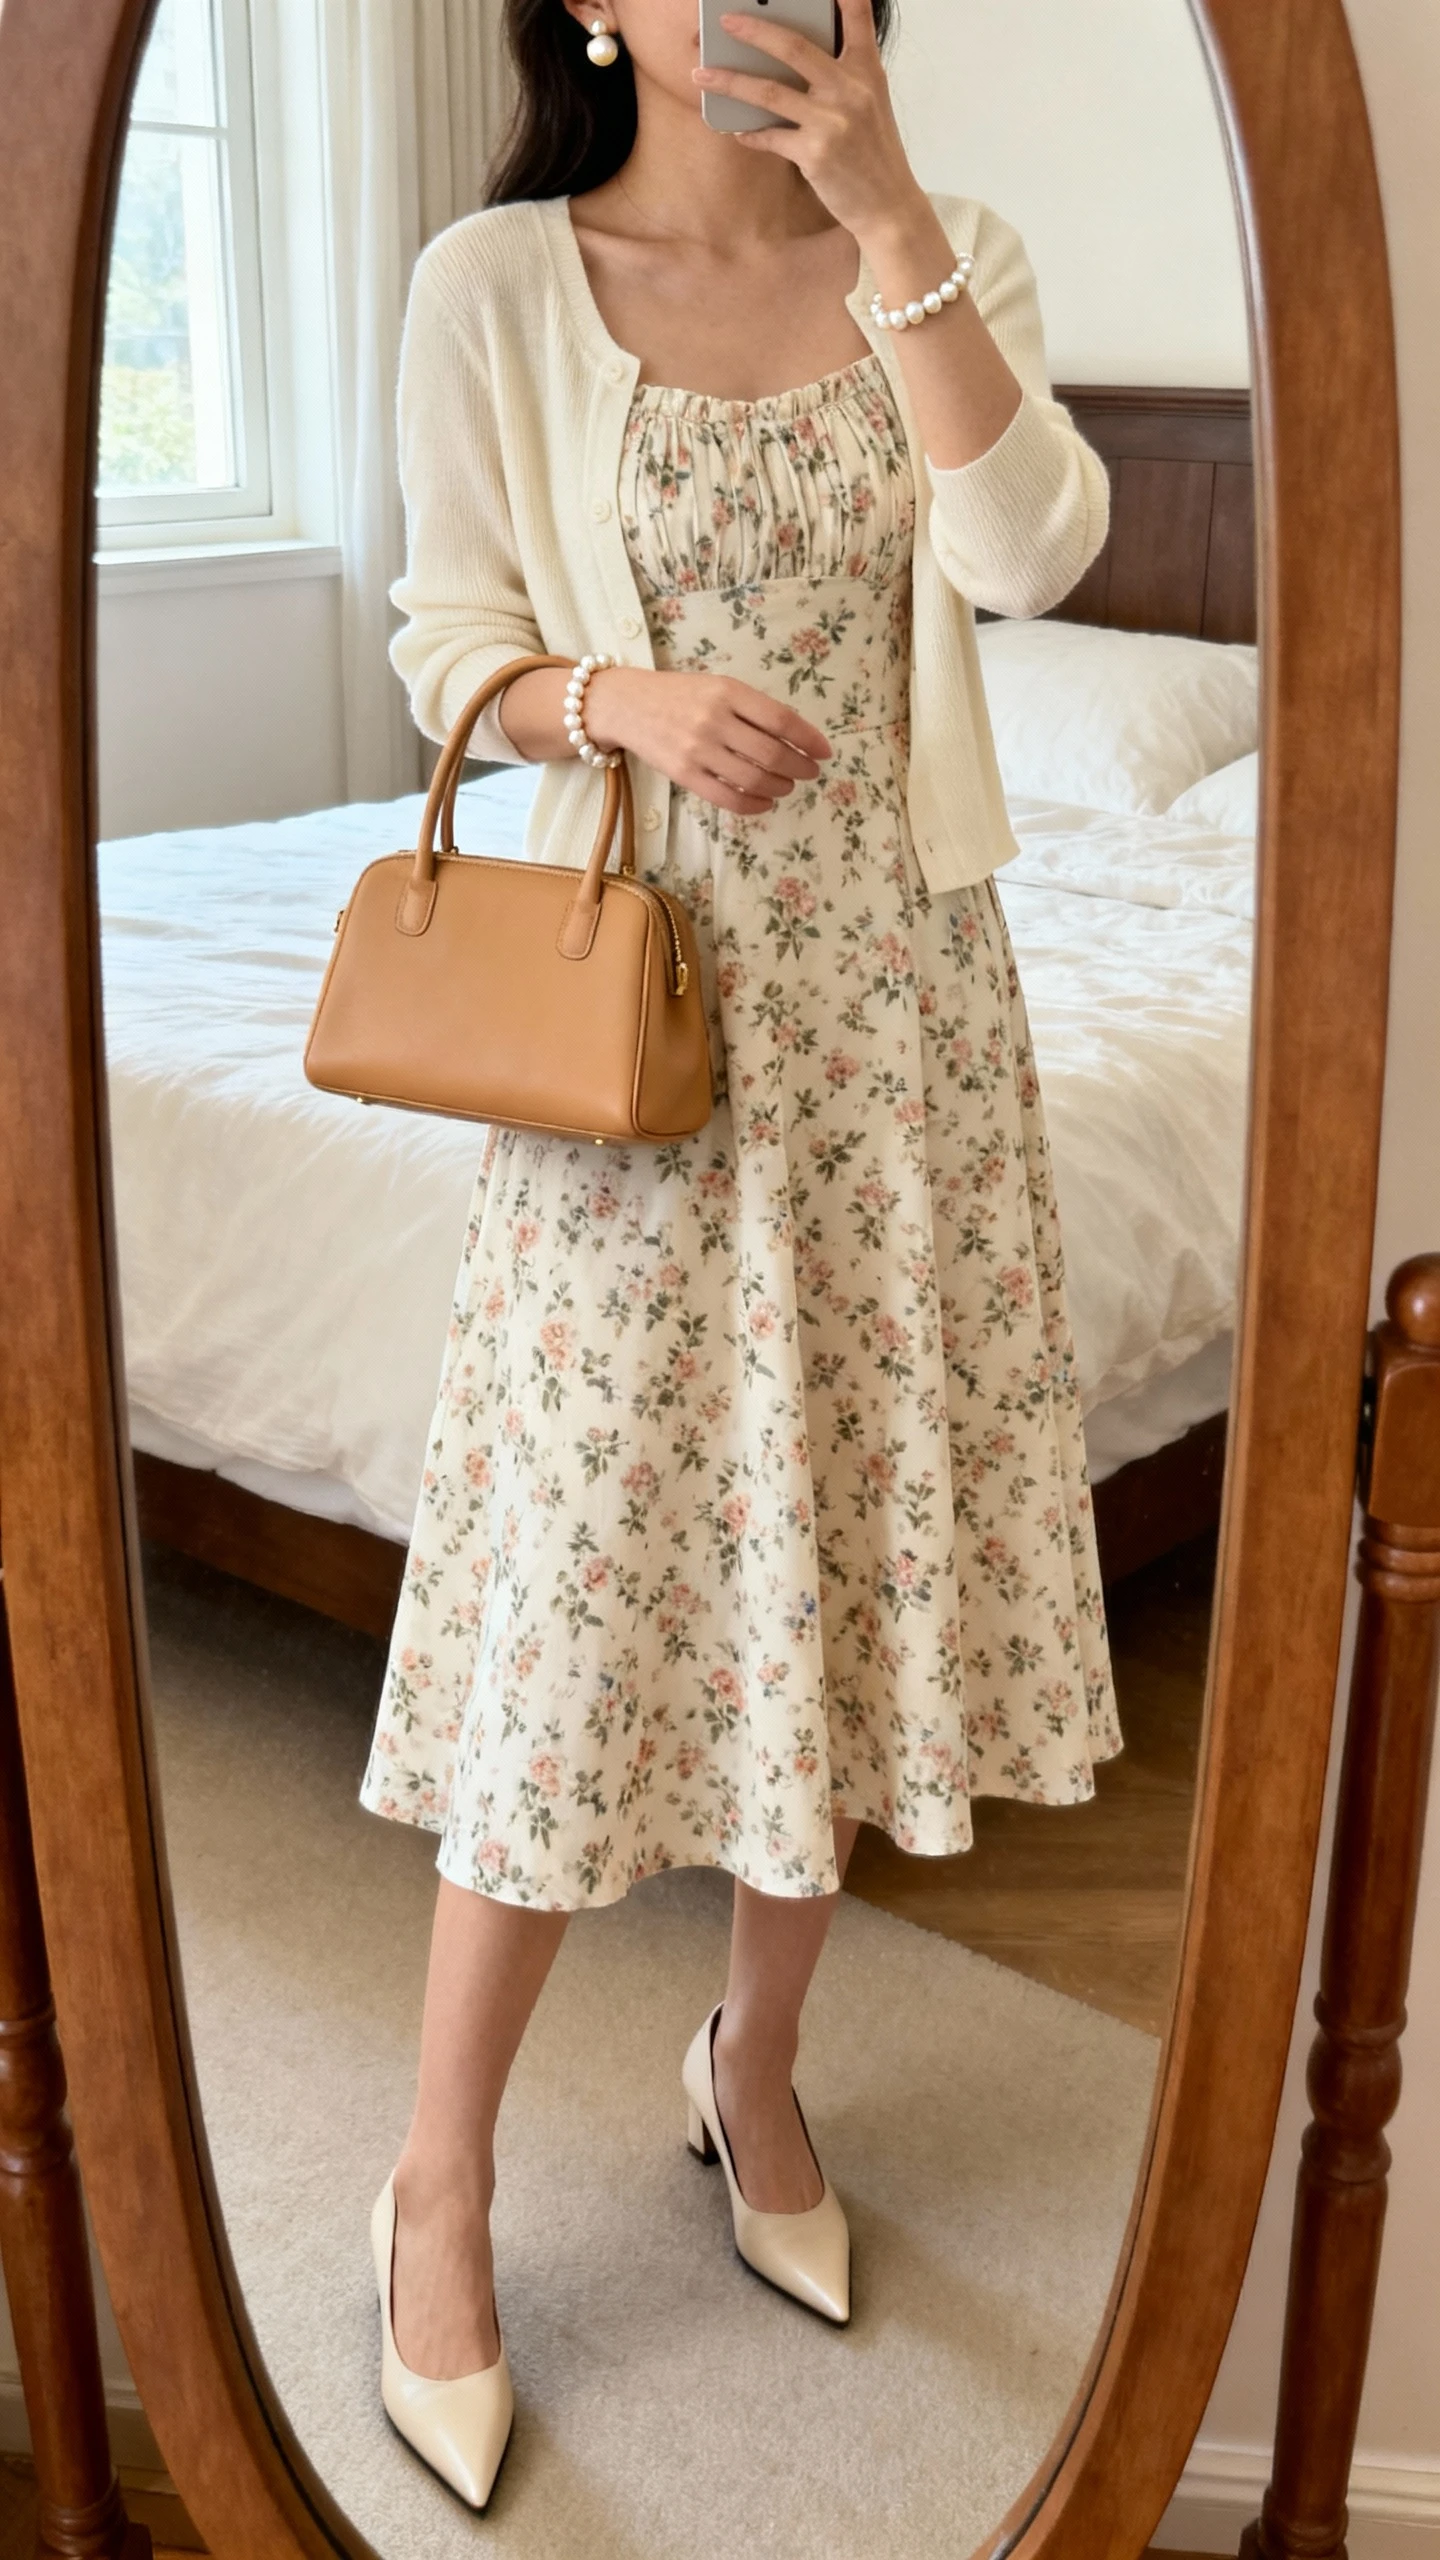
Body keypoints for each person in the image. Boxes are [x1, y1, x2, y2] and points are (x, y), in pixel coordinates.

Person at [359, 0, 1121, 2507]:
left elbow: (1039, 554)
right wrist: (625, 699)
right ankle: (438, 2177)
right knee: (577, 1609)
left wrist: (897, 224)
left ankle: (752, 2065)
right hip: (635, 1022)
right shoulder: (491, 286)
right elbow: (442, 646)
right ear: (590, 4)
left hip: (904, 1030)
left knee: (849, 1580)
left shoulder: (954, 252)